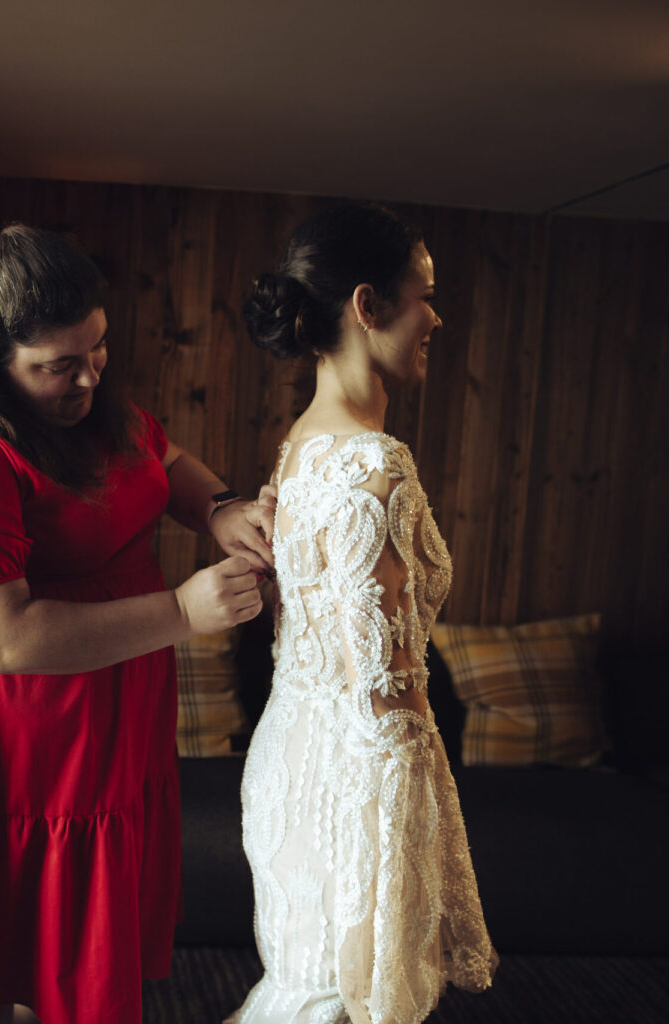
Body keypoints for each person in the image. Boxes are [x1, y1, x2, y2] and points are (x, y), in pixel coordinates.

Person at [0, 223, 273, 1024]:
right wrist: (181, 612)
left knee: (67, 941)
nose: (89, 378)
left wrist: (221, 506)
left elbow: (157, 459)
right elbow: (2, 638)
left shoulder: (82, 400)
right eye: (59, 365)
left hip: (98, 698)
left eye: (98, 351)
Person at [227, 203, 498, 1024]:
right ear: (367, 306)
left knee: (302, 989)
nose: (436, 318)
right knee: (347, 1000)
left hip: (291, 758)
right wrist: (420, 861)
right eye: (424, 295)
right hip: (354, 785)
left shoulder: (303, 443)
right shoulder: (373, 465)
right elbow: (391, 707)